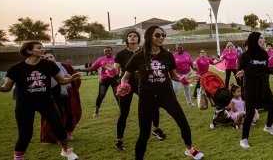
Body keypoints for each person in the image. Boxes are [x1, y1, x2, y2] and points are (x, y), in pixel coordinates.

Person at [118, 26, 204, 160]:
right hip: (147, 97)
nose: (161, 37)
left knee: (183, 124)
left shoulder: (167, 55)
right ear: (149, 37)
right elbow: (125, 77)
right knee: (144, 134)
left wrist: (183, 79)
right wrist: (123, 86)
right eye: (157, 35)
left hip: (167, 95)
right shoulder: (139, 56)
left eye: (163, 35)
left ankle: (190, 149)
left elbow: (174, 76)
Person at [0, 41, 82, 160]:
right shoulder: (16, 68)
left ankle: (66, 151)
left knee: (59, 127)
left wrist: (70, 79)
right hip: (25, 105)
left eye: (42, 47)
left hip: (46, 102)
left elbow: (60, 81)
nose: (42, 50)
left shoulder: (49, 65)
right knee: (25, 134)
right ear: (29, 51)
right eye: (39, 48)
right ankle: (18, 158)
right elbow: (7, 87)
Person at [236, 32, 273, 149]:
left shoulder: (264, 54)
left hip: (263, 84)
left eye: (263, 38)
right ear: (254, 40)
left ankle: (268, 126)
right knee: (250, 113)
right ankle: (244, 139)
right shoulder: (245, 55)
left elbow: (265, 69)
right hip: (250, 86)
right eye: (261, 38)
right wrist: (240, 72)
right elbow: (239, 68)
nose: (264, 40)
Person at [113, 30, 164, 151]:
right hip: (127, 84)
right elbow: (116, 71)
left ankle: (156, 129)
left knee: (154, 105)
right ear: (126, 39)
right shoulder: (120, 54)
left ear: (138, 39)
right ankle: (119, 140)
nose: (132, 37)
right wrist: (111, 69)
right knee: (124, 112)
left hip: (144, 83)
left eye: (135, 36)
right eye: (130, 36)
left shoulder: (144, 52)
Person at [40, 50, 82, 144]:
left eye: (51, 57)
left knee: (70, 112)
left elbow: (76, 77)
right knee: (56, 116)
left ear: (54, 57)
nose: (49, 59)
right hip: (51, 94)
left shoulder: (64, 66)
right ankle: (57, 137)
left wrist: (70, 78)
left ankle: (68, 132)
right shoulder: (41, 69)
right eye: (46, 58)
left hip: (66, 93)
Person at [76, 46, 119, 117]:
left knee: (117, 95)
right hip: (104, 79)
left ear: (112, 51)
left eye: (109, 51)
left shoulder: (116, 59)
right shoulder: (101, 59)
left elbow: (122, 67)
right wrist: (81, 70)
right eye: (105, 51)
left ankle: (122, 110)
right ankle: (96, 111)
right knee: (101, 95)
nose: (107, 52)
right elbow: (92, 68)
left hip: (115, 79)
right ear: (104, 52)